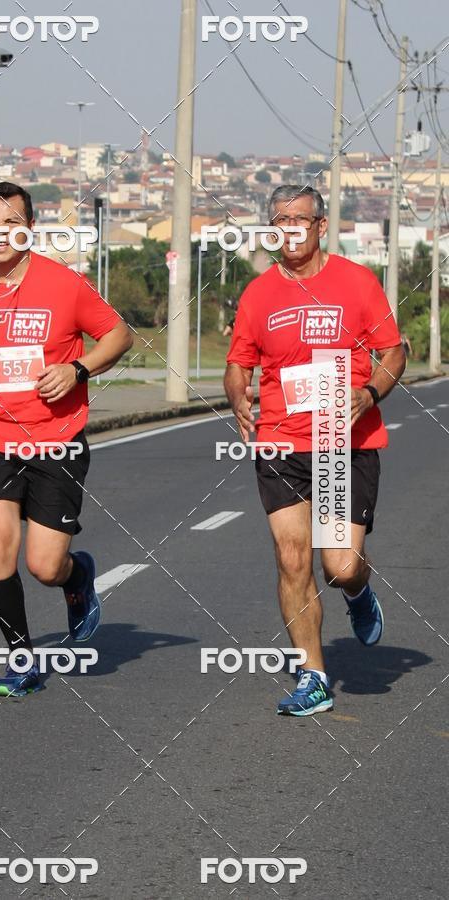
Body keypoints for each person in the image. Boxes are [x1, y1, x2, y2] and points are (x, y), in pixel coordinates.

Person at [0, 182, 133, 697]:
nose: (0, 233)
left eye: (11, 223)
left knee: (43, 564)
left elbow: (119, 334)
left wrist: (78, 369)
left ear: (30, 229)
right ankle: (21, 658)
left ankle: (76, 577)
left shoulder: (65, 285)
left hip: (56, 440)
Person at [224, 184, 406, 717]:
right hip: (281, 440)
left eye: (300, 219)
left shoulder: (355, 282)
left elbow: (393, 350)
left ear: (321, 226)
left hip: (344, 440)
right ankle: (314, 675)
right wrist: (238, 397)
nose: (291, 229)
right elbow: (239, 363)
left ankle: (357, 592)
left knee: (342, 565)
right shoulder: (259, 295)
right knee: (291, 556)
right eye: (280, 220)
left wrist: (369, 391)